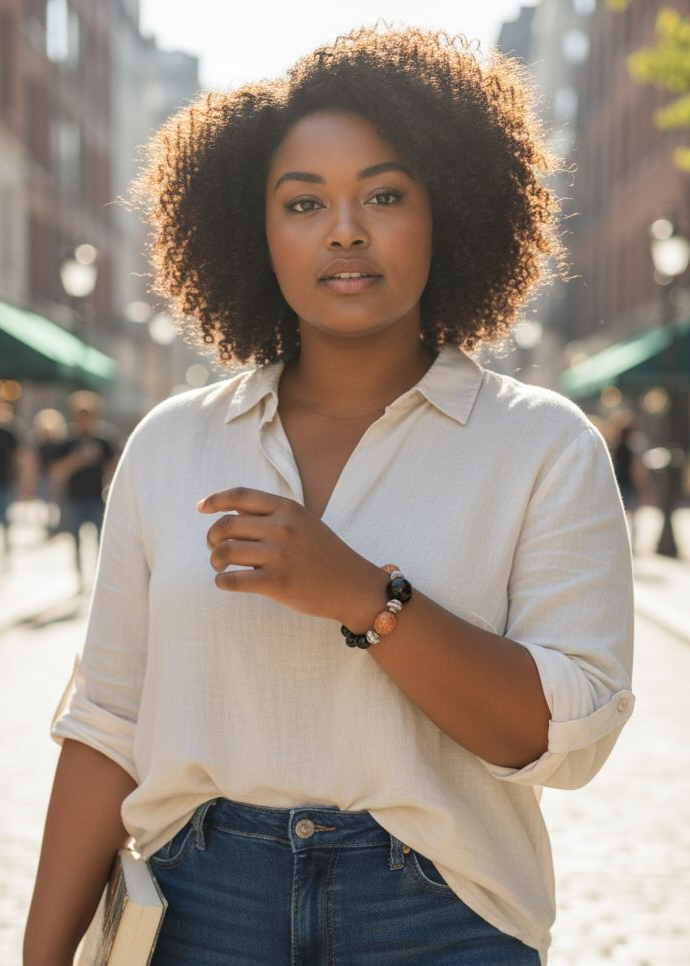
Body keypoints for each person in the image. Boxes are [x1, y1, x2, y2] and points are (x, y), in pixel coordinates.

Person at [25, 27, 635, 966]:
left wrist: (364, 596)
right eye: (303, 203)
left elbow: (562, 739)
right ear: (252, 230)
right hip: (197, 912)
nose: (345, 229)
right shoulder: (172, 445)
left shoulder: (542, 444)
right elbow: (107, 725)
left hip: (443, 918)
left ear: (450, 211)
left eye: (384, 195)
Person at [48, 392, 119, 591]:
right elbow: (56, 472)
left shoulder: (104, 440)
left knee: (101, 541)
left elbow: (116, 467)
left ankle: (99, 579)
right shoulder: (67, 442)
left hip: (98, 498)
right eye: (80, 415)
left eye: (88, 415)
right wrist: (77, 459)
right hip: (75, 498)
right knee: (76, 540)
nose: (84, 420)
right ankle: (80, 579)